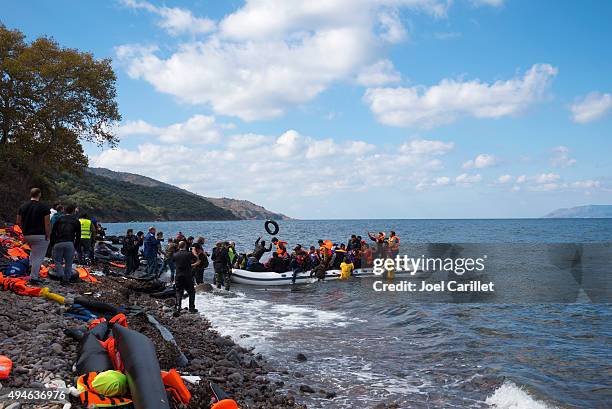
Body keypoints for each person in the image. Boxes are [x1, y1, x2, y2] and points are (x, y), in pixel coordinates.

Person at [16, 188, 51, 284]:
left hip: (27, 235)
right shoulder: (44, 207)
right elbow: (47, 223)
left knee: (33, 252)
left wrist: (24, 231)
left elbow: (18, 221)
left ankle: (30, 268)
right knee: (38, 257)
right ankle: (34, 277)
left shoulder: (23, 206)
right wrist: (48, 236)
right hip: (40, 235)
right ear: (39, 194)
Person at [50, 204, 81, 284]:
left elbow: (53, 232)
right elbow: (78, 236)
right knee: (69, 262)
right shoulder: (76, 221)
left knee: (57, 261)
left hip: (58, 242)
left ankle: (61, 275)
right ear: (73, 211)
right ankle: (67, 279)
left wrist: (52, 243)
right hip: (70, 243)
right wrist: (76, 246)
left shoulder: (59, 219)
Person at [172, 241, 197, 314]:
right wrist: (194, 251)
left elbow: (173, 261)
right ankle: (191, 308)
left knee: (179, 291)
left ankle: (178, 307)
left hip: (179, 275)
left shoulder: (175, 254)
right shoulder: (188, 254)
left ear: (178, 246)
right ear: (185, 246)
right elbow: (196, 258)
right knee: (191, 291)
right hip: (187, 275)